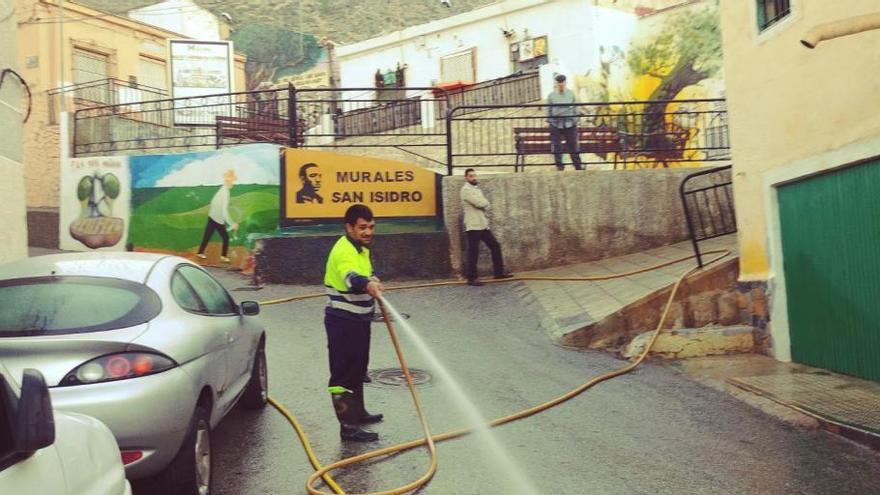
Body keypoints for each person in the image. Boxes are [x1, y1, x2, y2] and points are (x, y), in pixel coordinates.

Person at [324, 204, 385, 442]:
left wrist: (373, 279)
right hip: (343, 322)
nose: (368, 232)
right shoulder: (343, 250)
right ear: (349, 227)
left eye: (371, 227)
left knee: (359, 368)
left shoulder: (361, 248)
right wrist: (367, 284)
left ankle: (358, 413)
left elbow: (364, 273)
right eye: (362, 227)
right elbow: (350, 276)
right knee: (343, 375)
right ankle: (348, 428)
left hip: (360, 320)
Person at [460, 169, 513, 286]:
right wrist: (484, 203)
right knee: (473, 252)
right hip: (473, 225)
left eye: (474, 176)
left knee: (495, 246)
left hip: (482, 224)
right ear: (466, 178)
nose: (473, 178)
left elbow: (484, 203)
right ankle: (471, 278)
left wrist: (484, 203)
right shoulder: (466, 190)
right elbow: (481, 203)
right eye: (470, 176)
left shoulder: (476, 189)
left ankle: (498, 273)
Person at [196, 169, 238, 263]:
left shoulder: (221, 190)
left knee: (207, 236)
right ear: (229, 181)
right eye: (232, 181)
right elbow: (224, 211)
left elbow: (213, 203)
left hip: (212, 217)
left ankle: (200, 252)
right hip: (218, 220)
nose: (233, 183)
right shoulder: (225, 192)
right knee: (225, 238)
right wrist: (232, 223)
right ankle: (223, 256)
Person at [546, 74, 583, 171]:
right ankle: (560, 166)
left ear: (565, 83)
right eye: (559, 83)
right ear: (556, 84)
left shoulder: (571, 94)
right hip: (556, 124)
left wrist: (575, 120)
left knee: (573, 145)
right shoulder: (551, 96)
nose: (561, 85)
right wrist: (551, 121)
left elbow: (575, 108)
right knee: (557, 146)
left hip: (570, 124)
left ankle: (578, 166)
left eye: (563, 82)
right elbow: (549, 111)